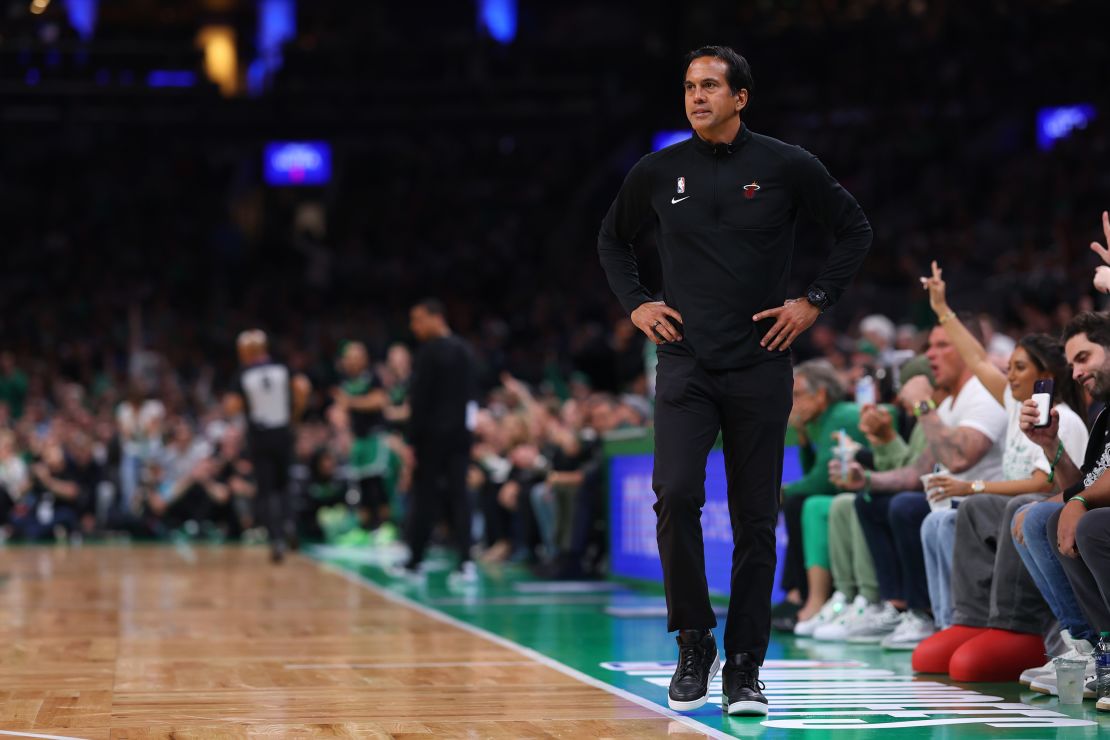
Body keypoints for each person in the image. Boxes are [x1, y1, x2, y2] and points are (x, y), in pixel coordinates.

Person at [596, 45, 872, 716]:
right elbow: (612, 240)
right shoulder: (657, 171)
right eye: (690, 86)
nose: (696, 96)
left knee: (756, 520)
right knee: (676, 494)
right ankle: (695, 641)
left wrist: (814, 302)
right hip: (686, 363)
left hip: (760, 362)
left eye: (711, 86)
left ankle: (745, 666)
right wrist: (637, 303)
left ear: (740, 97)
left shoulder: (785, 164)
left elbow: (853, 229)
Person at [910, 261, 1089, 681]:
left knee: (1011, 506)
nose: (1008, 375)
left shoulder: (1065, 418)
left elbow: (1048, 483)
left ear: (1046, 376)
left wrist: (971, 484)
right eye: (1008, 367)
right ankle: (970, 620)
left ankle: (1016, 628)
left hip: (1054, 512)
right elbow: (975, 356)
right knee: (972, 511)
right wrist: (941, 307)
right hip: (1018, 509)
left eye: (1019, 368)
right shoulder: (1014, 405)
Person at [834, 320, 1008, 650]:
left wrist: (922, 406)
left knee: (908, 506)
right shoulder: (949, 403)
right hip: (954, 501)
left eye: (942, 346)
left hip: (982, 504)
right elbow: (918, 471)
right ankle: (898, 605)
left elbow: (957, 460)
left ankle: (927, 613)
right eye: (929, 346)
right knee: (870, 500)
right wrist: (866, 479)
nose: (931, 355)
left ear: (969, 348)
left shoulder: (981, 397)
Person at [403, 299, 480, 584]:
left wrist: (411, 441)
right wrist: (469, 436)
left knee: (424, 499)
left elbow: (419, 402)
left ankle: (414, 562)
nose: (414, 327)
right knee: (460, 498)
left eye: (418, 319)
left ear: (436, 318)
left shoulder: (428, 353)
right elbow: (473, 397)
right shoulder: (465, 350)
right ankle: (466, 562)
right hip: (460, 438)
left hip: (431, 440)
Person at [228, 329, 311, 563]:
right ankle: (290, 526)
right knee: (285, 484)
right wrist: (294, 414)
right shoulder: (282, 368)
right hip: (284, 431)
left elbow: (231, 406)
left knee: (266, 490)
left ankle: (276, 539)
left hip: (260, 435)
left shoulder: (243, 373)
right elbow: (303, 387)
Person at [332, 341, 392, 531]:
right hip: (357, 439)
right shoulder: (344, 382)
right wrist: (342, 429)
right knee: (361, 485)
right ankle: (366, 527)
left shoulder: (373, 376)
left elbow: (379, 400)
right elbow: (339, 409)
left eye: (356, 357)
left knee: (377, 484)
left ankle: (385, 527)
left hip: (375, 438)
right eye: (349, 358)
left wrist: (350, 402)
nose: (352, 361)